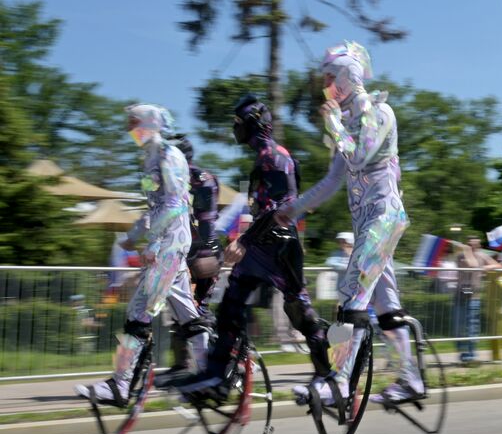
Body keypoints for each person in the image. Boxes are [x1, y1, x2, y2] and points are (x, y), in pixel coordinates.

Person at [280, 41, 420, 406]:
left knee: (351, 294)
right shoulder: (350, 122)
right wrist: (290, 211)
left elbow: (358, 158)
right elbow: (331, 182)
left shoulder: (380, 112)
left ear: (347, 74)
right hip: (370, 224)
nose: (324, 85)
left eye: (329, 76)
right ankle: (411, 379)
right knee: (386, 304)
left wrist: (333, 123)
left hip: (383, 218)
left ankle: (340, 382)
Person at [180, 97, 334, 401]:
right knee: (231, 306)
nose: (233, 129)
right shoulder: (262, 157)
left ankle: (327, 373)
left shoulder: (274, 158)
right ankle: (217, 377)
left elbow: (281, 209)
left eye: (237, 123)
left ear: (251, 123)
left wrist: (243, 241)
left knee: (298, 309)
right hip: (260, 246)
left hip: (281, 246)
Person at [78, 106, 210, 406]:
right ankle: (207, 373)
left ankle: (121, 385)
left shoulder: (170, 156)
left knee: (138, 311)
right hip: (165, 245)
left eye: (133, 123)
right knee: (187, 315)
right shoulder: (149, 158)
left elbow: (176, 204)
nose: (130, 129)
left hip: (171, 244)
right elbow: (154, 209)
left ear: (150, 123)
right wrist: (131, 238)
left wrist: (152, 244)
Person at [155, 133, 221, 385]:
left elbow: (204, 221)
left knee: (197, 312)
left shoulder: (198, 179)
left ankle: (231, 360)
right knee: (182, 311)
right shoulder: (182, 180)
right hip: (188, 252)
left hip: (202, 254)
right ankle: (184, 364)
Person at [453, 235, 495, 363]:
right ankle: (462, 350)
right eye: (469, 245)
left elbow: (497, 264)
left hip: (474, 295)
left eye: (474, 245)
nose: (471, 247)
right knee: (459, 325)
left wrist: (486, 268)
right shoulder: (461, 256)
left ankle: (471, 354)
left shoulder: (482, 255)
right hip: (461, 293)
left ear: (479, 246)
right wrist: (467, 252)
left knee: (472, 325)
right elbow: (472, 264)